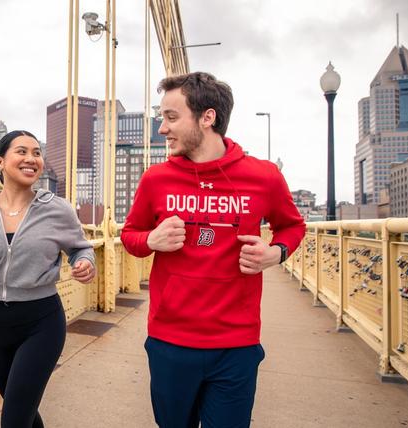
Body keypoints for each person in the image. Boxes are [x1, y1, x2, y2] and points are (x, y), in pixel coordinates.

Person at [120, 72, 306, 428]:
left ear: (207, 117)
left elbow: (292, 225)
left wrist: (276, 252)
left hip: (235, 345)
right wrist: (151, 240)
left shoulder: (263, 177)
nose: (162, 128)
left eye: (171, 117)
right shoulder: (155, 180)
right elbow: (131, 236)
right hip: (169, 341)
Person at [0, 130, 96, 428]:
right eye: (21, 151)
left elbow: (81, 249)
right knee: (23, 412)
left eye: (37, 153)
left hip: (42, 321)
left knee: (13, 419)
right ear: (0, 161)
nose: (31, 159)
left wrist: (85, 264)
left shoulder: (57, 209)